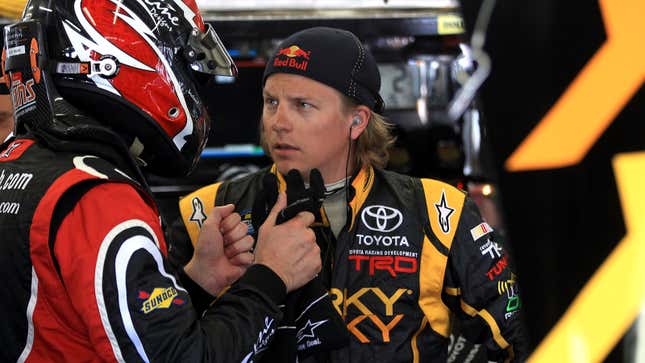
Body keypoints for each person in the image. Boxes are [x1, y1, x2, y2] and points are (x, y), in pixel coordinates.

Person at [172, 26, 528, 362]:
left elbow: (520, 336)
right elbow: (157, 346)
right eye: (271, 102)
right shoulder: (208, 213)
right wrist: (198, 284)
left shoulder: (438, 212)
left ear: (357, 121)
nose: (277, 122)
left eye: (302, 105)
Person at [0, 1, 322, 362]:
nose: (192, 83)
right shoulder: (97, 197)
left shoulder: (20, 164)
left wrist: (196, 284)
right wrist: (271, 276)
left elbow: (95, 325)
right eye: (186, 66)